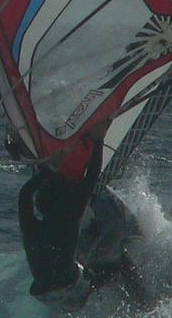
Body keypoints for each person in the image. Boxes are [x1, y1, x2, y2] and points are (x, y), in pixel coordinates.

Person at [16, 128, 105, 299]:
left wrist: (98, 140)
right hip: (60, 285)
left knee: (85, 265)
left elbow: (91, 178)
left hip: (48, 289)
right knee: (118, 266)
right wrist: (48, 170)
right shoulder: (33, 230)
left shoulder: (70, 218)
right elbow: (25, 196)